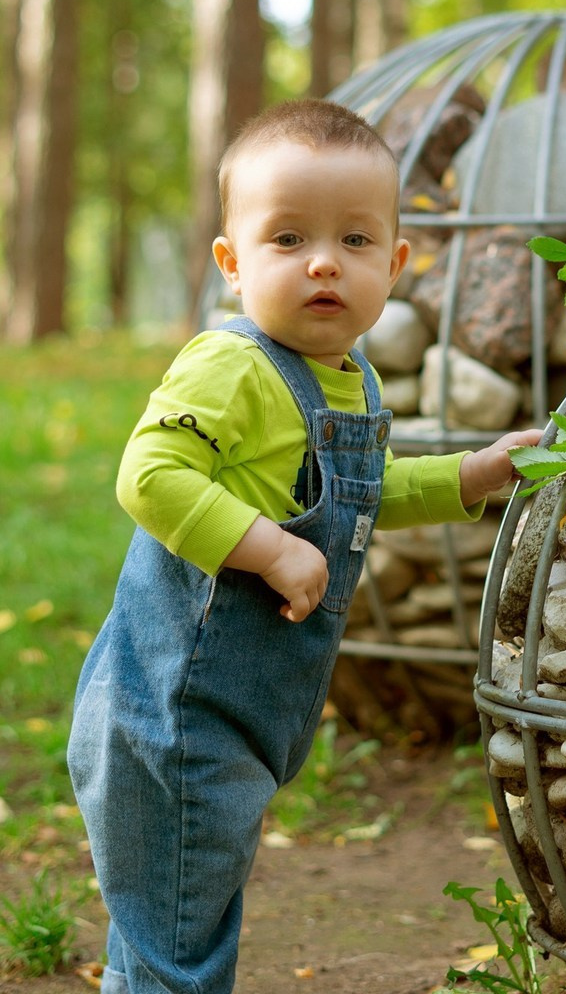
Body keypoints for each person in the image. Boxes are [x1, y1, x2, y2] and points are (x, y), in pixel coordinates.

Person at [67, 99, 540, 994]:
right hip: (174, 713)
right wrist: (267, 550)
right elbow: (149, 476)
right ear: (232, 262)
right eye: (287, 239)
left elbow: (355, 497)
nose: (324, 261)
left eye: (356, 242)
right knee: (178, 942)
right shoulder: (233, 364)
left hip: (236, 716)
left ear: (396, 266)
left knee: (175, 921)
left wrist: (470, 474)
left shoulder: (346, 375)